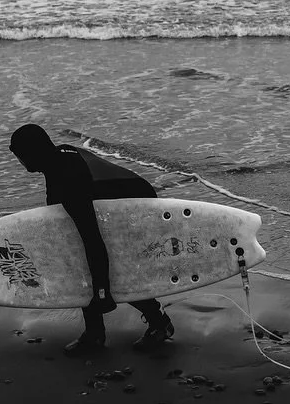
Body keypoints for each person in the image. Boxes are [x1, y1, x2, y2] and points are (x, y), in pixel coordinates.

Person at [9, 123, 175, 356]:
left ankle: (158, 323)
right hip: (118, 198)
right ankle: (95, 334)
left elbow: (92, 240)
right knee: (82, 261)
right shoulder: (57, 158)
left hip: (138, 205)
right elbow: (59, 208)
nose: (20, 161)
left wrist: (102, 292)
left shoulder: (69, 180)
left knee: (114, 272)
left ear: (33, 154)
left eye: (20, 155)